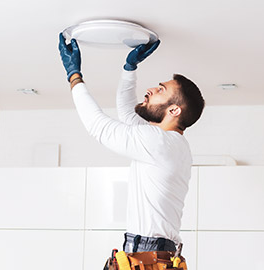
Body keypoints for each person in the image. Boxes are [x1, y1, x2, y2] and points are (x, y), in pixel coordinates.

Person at [58, 33, 205, 253]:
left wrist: (74, 76)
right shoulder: (170, 143)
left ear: (174, 110)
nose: (151, 90)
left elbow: (98, 126)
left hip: (148, 252)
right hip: (152, 251)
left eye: (160, 90)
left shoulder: (159, 143)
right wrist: (129, 69)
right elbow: (127, 112)